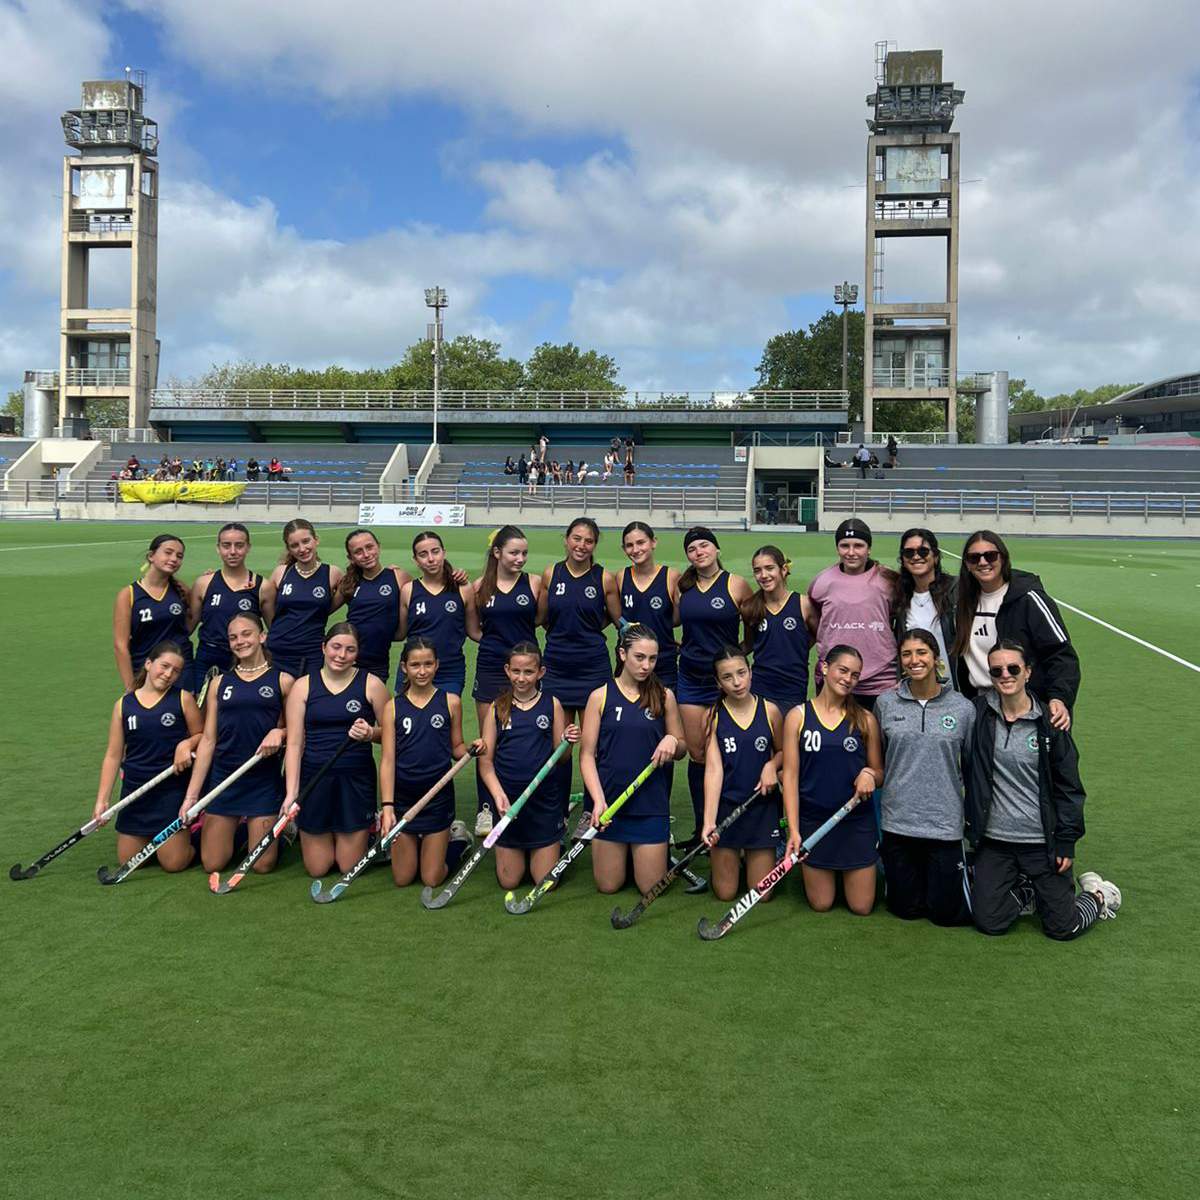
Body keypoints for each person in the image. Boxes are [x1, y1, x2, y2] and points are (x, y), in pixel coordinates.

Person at [965, 639, 1121, 938]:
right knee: (989, 922)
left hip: (1041, 842)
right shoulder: (978, 714)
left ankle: (1098, 895)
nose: (1005, 675)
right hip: (995, 841)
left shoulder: (1051, 721)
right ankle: (1028, 891)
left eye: (1013, 668)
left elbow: (1069, 787)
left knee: (1064, 927)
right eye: (997, 671)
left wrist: (1066, 842)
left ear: (1028, 672)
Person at [874, 629, 975, 925]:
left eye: (921, 652)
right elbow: (879, 758)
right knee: (905, 910)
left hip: (943, 823)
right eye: (907, 654)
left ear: (935, 657)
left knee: (945, 915)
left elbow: (970, 767)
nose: (914, 660)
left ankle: (975, 871)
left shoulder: (963, 708)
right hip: (898, 822)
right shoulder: (886, 704)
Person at [183, 613, 293, 874]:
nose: (240, 641)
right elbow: (209, 740)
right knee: (213, 863)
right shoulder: (219, 683)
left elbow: (299, 733)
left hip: (263, 780)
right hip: (224, 779)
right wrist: (191, 797)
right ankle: (240, 830)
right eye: (233, 637)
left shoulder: (283, 680)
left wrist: (282, 733)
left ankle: (276, 831)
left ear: (262, 636)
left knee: (262, 865)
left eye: (246, 634)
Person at [581, 624, 686, 894]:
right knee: (608, 886)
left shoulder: (664, 696)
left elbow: (684, 747)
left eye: (652, 659)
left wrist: (672, 740)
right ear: (622, 654)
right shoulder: (600, 696)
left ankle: (647, 853)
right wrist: (598, 801)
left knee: (650, 888)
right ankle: (630, 855)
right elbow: (587, 756)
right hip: (611, 806)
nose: (646, 665)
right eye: (640, 657)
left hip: (650, 805)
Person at [781, 644, 883, 915]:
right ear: (825, 667)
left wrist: (869, 773)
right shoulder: (797, 717)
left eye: (855, 675)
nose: (848, 679)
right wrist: (793, 830)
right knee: (821, 904)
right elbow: (790, 777)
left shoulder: (865, 720)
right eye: (843, 670)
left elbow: (880, 772)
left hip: (855, 822)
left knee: (861, 907)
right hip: (815, 823)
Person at [283, 622, 388, 877]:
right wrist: (291, 794)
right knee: (318, 869)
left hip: (355, 780)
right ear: (323, 647)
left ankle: (368, 832)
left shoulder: (372, 684)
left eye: (350, 650)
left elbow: (391, 735)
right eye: (336, 647)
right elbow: (295, 743)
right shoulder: (303, 686)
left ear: (357, 653)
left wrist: (371, 733)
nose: (341, 655)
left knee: (348, 867)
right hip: (315, 780)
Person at [476, 642, 581, 890]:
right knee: (509, 881)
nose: (521, 678)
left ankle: (556, 842)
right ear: (507, 670)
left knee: (545, 883)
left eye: (528, 672)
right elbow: (486, 764)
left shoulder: (551, 704)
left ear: (541, 672)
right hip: (508, 805)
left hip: (543, 804)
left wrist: (567, 743)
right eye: (516, 671)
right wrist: (498, 795)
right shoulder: (497, 707)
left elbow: (562, 759)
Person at [951, 529, 1080, 730]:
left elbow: (1060, 653)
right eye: (974, 558)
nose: (983, 562)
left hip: (1025, 707)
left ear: (1003, 558)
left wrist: (1059, 697)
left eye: (990, 556)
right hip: (981, 708)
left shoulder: (1028, 599)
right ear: (967, 564)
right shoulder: (961, 604)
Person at [92, 641, 203, 872]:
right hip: (136, 793)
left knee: (173, 863)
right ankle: (161, 840)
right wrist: (102, 800)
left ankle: (198, 832)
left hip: (170, 790)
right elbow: (113, 756)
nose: (169, 674)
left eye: (176, 671)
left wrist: (188, 742)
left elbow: (204, 736)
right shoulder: (124, 705)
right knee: (130, 862)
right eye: (164, 666)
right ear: (149, 663)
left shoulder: (183, 699)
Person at [379, 637, 478, 889]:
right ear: (404, 668)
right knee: (402, 878)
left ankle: (458, 842)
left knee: (432, 879)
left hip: (437, 796)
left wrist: (470, 750)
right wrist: (388, 806)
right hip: (403, 798)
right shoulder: (392, 707)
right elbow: (388, 759)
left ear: (436, 665)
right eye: (415, 665)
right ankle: (421, 846)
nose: (422, 671)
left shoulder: (450, 702)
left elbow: (456, 748)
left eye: (427, 664)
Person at [675, 527, 752, 844]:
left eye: (704, 545)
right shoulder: (683, 587)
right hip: (691, 680)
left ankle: (733, 823)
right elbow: (674, 623)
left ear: (717, 549)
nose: (699, 552)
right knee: (698, 755)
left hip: (726, 684)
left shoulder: (736, 584)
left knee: (730, 752)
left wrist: (734, 662)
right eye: (692, 549)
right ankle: (701, 829)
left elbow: (753, 631)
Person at [472, 526, 542, 834]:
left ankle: (532, 799)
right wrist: (496, 647)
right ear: (497, 553)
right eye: (514, 552)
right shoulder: (479, 587)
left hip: (525, 669)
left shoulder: (535, 584)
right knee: (489, 742)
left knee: (529, 736)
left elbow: (539, 620)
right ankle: (486, 807)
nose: (520, 558)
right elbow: (474, 629)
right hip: (490, 668)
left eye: (525, 553)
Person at [701, 646, 784, 902]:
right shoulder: (713, 716)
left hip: (762, 809)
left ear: (750, 673)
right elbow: (713, 770)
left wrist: (772, 765)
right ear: (718, 682)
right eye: (727, 677)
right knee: (725, 894)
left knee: (762, 895)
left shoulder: (770, 711)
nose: (737, 682)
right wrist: (709, 821)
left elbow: (784, 753)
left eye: (741, 673)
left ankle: (761, 853)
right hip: (729, 808)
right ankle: (733, 856)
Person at [806, 519, 897, 711]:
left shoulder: (889, 580)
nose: (851, 552)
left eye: (859, 546)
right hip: (835, 678)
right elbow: (815, 621)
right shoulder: (822, 582)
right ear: (837, 548)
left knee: (876, 739)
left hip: (880, 680)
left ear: (869, 548)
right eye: (844, 546)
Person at [538, 517, 621, 725]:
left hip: (592, 667)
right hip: (556, 666)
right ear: (566, 539)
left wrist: (588, 626)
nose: (581, 546)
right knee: (561, 744)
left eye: (588, 541)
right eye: (576, 538)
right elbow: (542, 618)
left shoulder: (604, 578)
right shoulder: (551, 574)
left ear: (594, 545)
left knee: (592, 743)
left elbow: (618, 619)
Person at [399, 529, 480, 695]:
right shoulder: (408, 590)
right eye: (423, 554)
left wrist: (506, 641)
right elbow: (400, 633)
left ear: (444, 552)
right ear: (416, 560)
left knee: (445, 718)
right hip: (413, 669)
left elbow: (474, 632)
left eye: (435, 551)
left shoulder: (463, 588)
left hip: (450, 671)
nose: (430, 558)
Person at [113, 534, 194, 691]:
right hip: (145, 669)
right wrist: (130, 687)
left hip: (180, 669)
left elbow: (192, 619)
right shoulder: (128, 594)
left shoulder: (181, 589)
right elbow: (120, 645)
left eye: (179, 556)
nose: (174, 559)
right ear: (151, 556)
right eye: (168, 552)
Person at [262, 518, 342, 678]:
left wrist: (388, 572)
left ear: (316, 540)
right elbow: (267, 608)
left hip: (311, 653)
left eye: (306, 541)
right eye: (294, 545)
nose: (302, 549)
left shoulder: (332, 573)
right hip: (278, 651)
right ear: (289, 548)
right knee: (275, 701)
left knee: (308, 699)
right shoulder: (281, 572)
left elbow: (356, 589)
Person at [189, 523, 263, 691]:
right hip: (208, 657)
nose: (233, 551)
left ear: (248, 548)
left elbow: (274, 628)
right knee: (202, 710)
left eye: (239, 545)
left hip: (245, 657)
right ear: (218, 548)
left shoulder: (262, 586)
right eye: (226, 545)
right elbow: (188, 625)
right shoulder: (204, 583)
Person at [744, 544, 815, 717]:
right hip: (760, 688)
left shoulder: (803, 604)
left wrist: (795, 649)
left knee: (788, 741)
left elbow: (817, 636)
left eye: (769, 568)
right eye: (757, 570)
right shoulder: (751, 607)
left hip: (793, 688)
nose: (763, 575)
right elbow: (749, 644)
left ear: (783, 570)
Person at [335, 529, 409, 682]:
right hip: (347, 659)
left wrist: (453, 576)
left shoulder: (398, 577)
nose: (366, 554)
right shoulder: (349, 582)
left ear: (378, 546)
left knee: (374, 704)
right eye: (358, 552)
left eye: (370, 547)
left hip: (378, 662)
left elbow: (426, 590)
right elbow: (321, 609)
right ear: (351, 558)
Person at [618, 521, 680, 690]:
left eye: (641, 542)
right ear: (624, 549)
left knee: (664, 712)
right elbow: (616, 615)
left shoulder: (671, 577)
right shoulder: (621, 577)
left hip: (662, 661)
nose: (635, 549)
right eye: (629, 545)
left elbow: (675, 619)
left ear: (654, 542)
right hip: (628, 662)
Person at [893, 527, 957, 687]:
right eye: (909, 552)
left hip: (956, 690)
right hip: (918, 690)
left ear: (935, 557)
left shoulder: (956, 591)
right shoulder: (900, 598)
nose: (916, 557)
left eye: (923, 551)